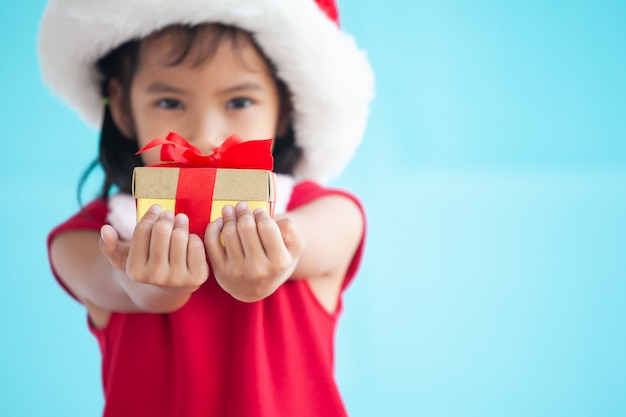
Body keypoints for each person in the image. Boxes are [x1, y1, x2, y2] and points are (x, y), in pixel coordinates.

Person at [39, 0, 374, 415]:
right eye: (169, 102)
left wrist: (279, 259)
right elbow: (112, 280)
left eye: (238, 102)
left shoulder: (327, 213)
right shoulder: (87, 239)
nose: (205, 135)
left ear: (285, 108)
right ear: (122, 107)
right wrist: (149, 284)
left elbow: (322, 236)